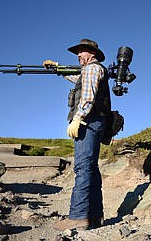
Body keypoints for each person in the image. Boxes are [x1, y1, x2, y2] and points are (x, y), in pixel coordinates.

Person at [44, 39, 111, 231]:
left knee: (82, 167)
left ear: (92, 54)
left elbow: (87, 97)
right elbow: (77, 78)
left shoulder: (91, 69)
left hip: (88, 122)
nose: (78, 55)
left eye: (81, 52)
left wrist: (78, 118)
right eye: (78, 52)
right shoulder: (93, 70)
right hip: (97, 122)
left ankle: (78, 216)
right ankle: (95, 216)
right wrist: (58, 68)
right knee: (91, 168)